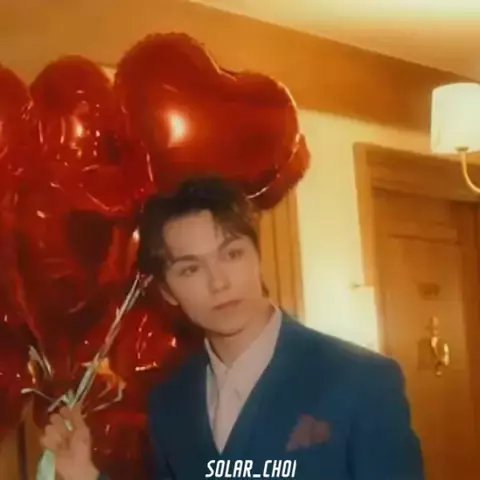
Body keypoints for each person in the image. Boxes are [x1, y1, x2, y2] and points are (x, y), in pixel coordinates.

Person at [40, 176, 424, 480]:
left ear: (258, 257)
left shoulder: (362, 381)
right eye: (190, 269)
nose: (219, 282)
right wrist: (84, 474)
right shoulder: (170, 400)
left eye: (232, 254)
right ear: (168, 292)